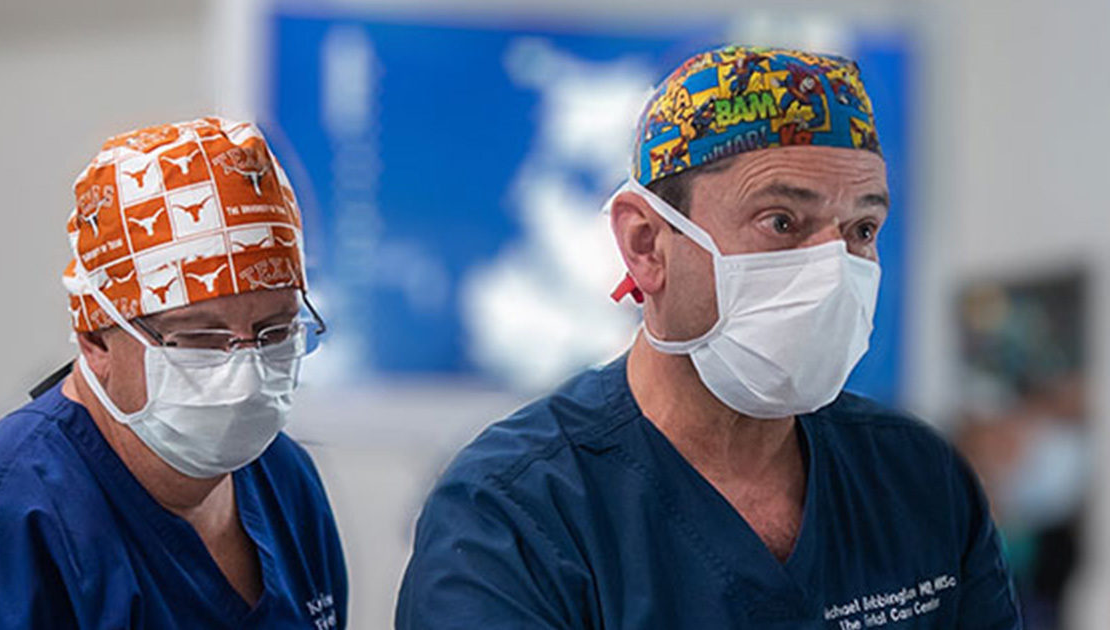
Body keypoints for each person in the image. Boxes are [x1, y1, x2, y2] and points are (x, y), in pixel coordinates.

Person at [396, 47, 1021, 628]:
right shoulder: (514, 516)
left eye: (861, 229)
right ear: (646, 244)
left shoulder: (918, 482)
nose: (833, 271)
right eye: (781, 221)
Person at [0, 118, 346, 628]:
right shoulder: (9, 517)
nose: (244, 372)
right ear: (96, 340)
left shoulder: (283, 481)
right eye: (200, 339)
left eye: (274, 331)